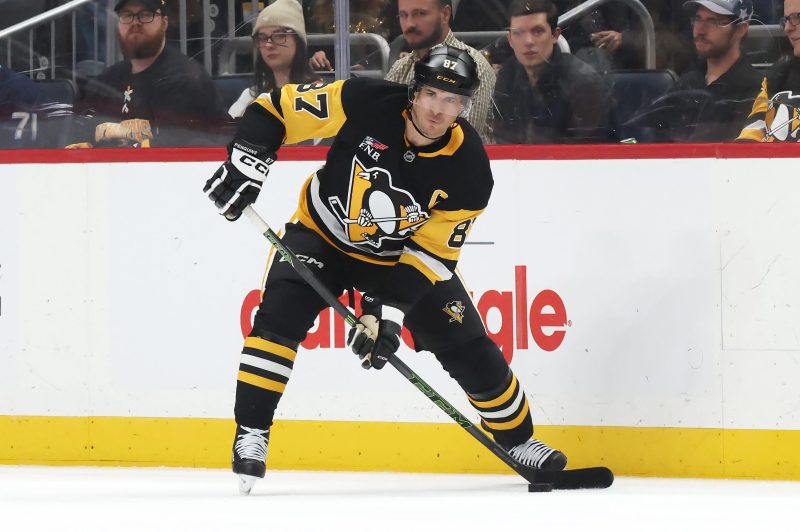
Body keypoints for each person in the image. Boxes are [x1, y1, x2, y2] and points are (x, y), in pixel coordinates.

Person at [203, 44, 567, 494]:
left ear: (464, 107)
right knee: (279, 317)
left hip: (398, 259)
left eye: (452, 100)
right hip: (323, 235)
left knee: (468, 345)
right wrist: (246, 166)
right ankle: (252, 432)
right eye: (431, 94)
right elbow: (274, 109)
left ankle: (519, 440)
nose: (438, 110)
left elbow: (428, 257)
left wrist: (386, 316)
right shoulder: (366, 100)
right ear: (414, 92)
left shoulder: (471, 169)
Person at [69, 0, 227, 148]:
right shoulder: (107, 80)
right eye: (127, 15)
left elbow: (175, 147)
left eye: (145, 15)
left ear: (164, 23)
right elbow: (78, 132)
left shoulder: (185, 79)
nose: (135, 22)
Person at [492, 0, 613, 144]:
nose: (528, 41)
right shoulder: (507, 75)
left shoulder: (584, 82)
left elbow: (588, 150)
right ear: (510, 39)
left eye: (537, 31)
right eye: (518, 33)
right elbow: (502, 138)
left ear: (555, 35)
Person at [648, 0, 762, 141]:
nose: (700, 30)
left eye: (713, 21)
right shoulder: (686, 83)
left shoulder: (755, 91)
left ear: (741, 29)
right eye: (698, 19)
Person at [384, 0, 496, 142]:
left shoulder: (474, 67)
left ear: (445, 14)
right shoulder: (400, 67)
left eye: (420, 13)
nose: (409, 24)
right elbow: (383, 124)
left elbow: (460, 141)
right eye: (403, 15)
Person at [228, 0, 318, 118]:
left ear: (298, 40)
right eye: (262, 37)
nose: (268, 45)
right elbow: (229, 128)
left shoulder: (319, 95)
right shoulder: (251, 96)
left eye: (279, 35)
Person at [737, 0, 800, 141]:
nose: (787, 28)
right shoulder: (779, 75)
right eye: (786, 20)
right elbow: (750, 137)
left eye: (798, 17)